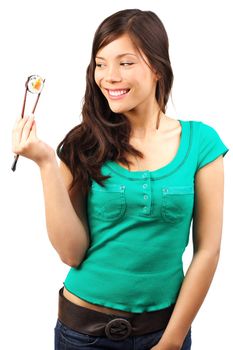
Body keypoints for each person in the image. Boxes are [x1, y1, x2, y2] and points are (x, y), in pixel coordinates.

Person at [12, 8, 229, 350]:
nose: (109, 76)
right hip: (82, 333)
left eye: (125, 63)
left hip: (164, 332)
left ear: (157, 67)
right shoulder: (82, 144)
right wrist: (44, 164)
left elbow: (208, 251)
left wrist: (171, 342)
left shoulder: (201, 143)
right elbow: (72, 252)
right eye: (100, 64)